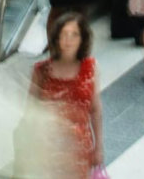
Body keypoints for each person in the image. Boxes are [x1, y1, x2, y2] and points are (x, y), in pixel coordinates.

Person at [30, 13, 106, 177]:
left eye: (74, 35)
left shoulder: (90, 68)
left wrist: (99, 147)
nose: (68, 40)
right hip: (48, 150)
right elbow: (30, 112)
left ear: (82, 39)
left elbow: (95, 110)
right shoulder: (41, 71)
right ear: (56, 38)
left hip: (80, 150)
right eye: (63, 34)